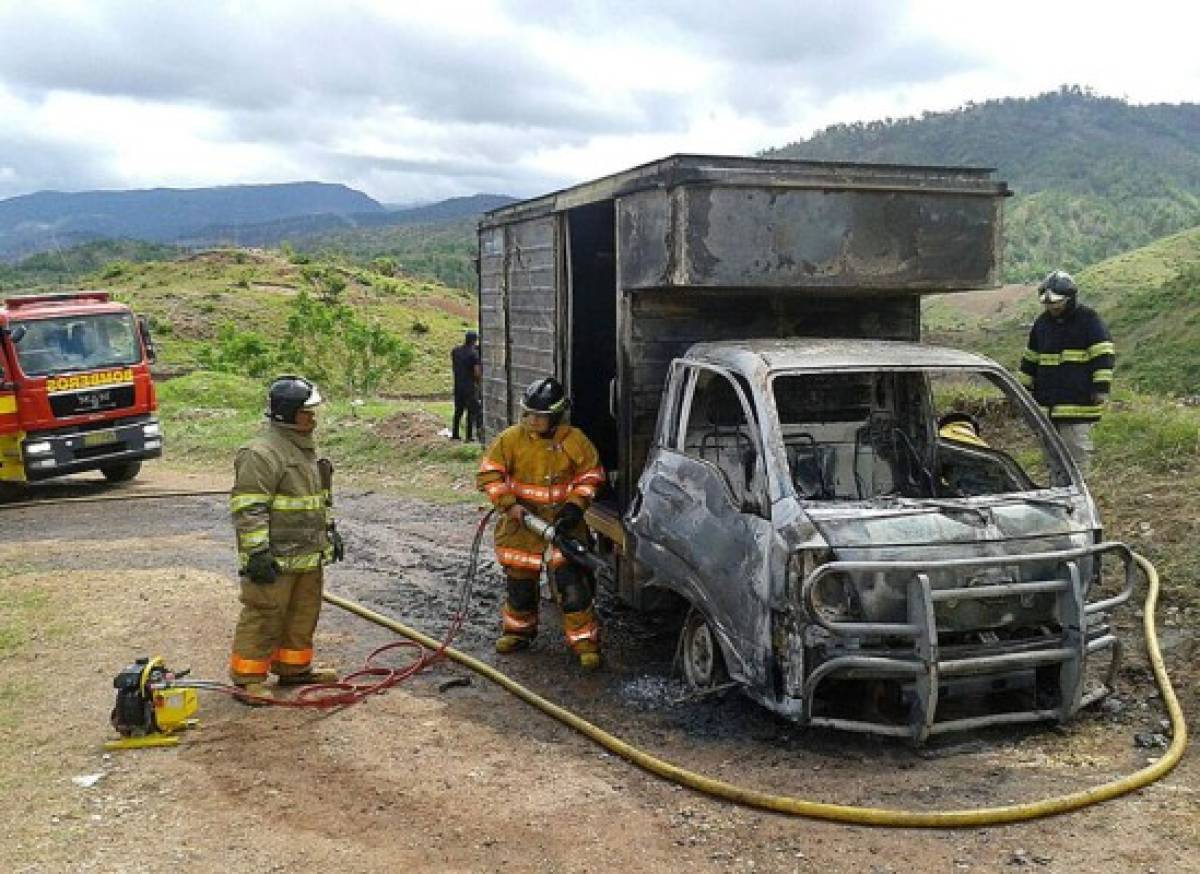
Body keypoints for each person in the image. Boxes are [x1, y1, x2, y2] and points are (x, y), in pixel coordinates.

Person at [228, 375, 345, 702]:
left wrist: (329, 533)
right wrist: (257, 553)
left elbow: (314, 499)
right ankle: (248, 678)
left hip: (307, 554)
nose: (313, 417)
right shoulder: (261, 453)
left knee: (302, 614)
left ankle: (294, 669)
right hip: (274, 558)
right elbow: (249, 507)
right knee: (264, 613)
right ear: (289, 413)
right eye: (307, 411)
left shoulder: (302, 448)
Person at [476, 377, 606, 670]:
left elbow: (591, 477)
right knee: (520, 588)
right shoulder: (510, 440)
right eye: (529, 414)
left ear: (556, 416)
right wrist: (510, 506)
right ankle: (518, 633)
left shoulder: (575, 441)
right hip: (521, 528)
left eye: (540, 416)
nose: (533, 421)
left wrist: (574, 507)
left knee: (573, 588)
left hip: (564, 528)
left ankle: (585, 643)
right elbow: (489, 475)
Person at [1018, 270, 1115, 472]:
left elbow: (1103, 355)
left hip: (1078, 405)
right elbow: (1030, 358)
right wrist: (1022, 391)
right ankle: (1057, 494)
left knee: (1077, 457)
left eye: (1056, 304)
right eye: (1048, 305)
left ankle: (1080, 499)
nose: (1052, 309)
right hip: (1047, 406)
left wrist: (1101, 388)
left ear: (1070, 299)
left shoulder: (1088, 319)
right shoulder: (1042, 323)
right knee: (1053, 459)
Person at [450, 330, 483, 442]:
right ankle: (470, 436)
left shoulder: (455, 351)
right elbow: (477, 371)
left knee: (458, 410)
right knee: (474, 411)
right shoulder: (474, 354)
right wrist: (479, 382)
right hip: (470, 386)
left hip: (458, 385)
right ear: (475, 340)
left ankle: (455, 434)